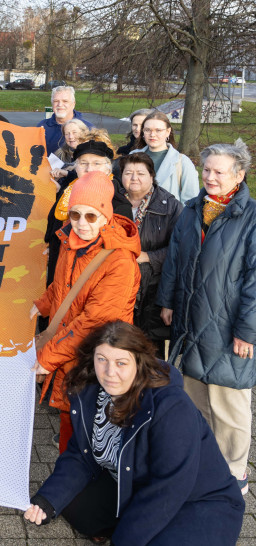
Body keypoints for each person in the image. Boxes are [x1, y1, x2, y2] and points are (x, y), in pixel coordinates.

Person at [24, 321, 245, 545]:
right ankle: (133, 523)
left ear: (139, 363)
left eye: (121, 363)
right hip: (133, 483)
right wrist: (48, 500)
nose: (110, 372)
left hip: (197, 500)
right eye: (102, 360)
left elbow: (168, 489)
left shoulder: (171, 406)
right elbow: (80, 454)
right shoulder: (90, 391)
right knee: (73, 504)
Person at [158, 139, 256, 495]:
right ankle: (202, 459)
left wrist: (247, 331)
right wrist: (167, 301)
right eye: (206, 170)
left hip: (229, 326)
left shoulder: (252, 217)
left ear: (239, 174)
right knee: (194, 396)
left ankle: (234, 473)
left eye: (219, 171)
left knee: (229, 402)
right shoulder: (190, 210)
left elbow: (255, 280)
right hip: (190, 319)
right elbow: (174, 260)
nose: (210, 177)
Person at [31, 171, 141, 454]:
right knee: (72, 424)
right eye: (75, 215)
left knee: (91, 432)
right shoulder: (72, 242)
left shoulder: (120, 263)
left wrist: (49, 357)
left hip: (98, 361)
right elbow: (63, 285)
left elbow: (95, 322)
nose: (81, 223)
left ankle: (81, 488)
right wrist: (43, 304)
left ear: (106, 215)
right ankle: (69, 483)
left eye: (90, 216)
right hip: (73, 355)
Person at [44, 137, 131, 288]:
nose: (89, 169)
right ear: (75, 168)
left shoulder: (118, 201)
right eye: (83, 163)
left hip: (93, 277)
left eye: (96, 163)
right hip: (60, 267)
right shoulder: (69, 189)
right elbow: (54, 222)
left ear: (107, 168)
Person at [120, 153, 182, 356]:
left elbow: (181, 248)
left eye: (140, 173)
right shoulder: (113, 201)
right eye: (128, 173)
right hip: (119, 286)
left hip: (153, 289)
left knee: (150, 353)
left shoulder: (170, 206)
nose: (134, 178)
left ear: (152, 175)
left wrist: (149, 257)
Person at [131, 111, 199, 203]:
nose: (152, 134)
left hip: (169, 216)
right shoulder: (132, 156)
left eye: (158, 130)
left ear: (168, 132)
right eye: (147, 130)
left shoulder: (182, 162)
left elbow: (190, 201)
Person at [37, 85, 93, 155]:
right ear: (52, 104)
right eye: (56, 101)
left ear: (73, 104)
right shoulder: (42, 126)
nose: (60, 105)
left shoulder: (88, 128)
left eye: (65, 101)